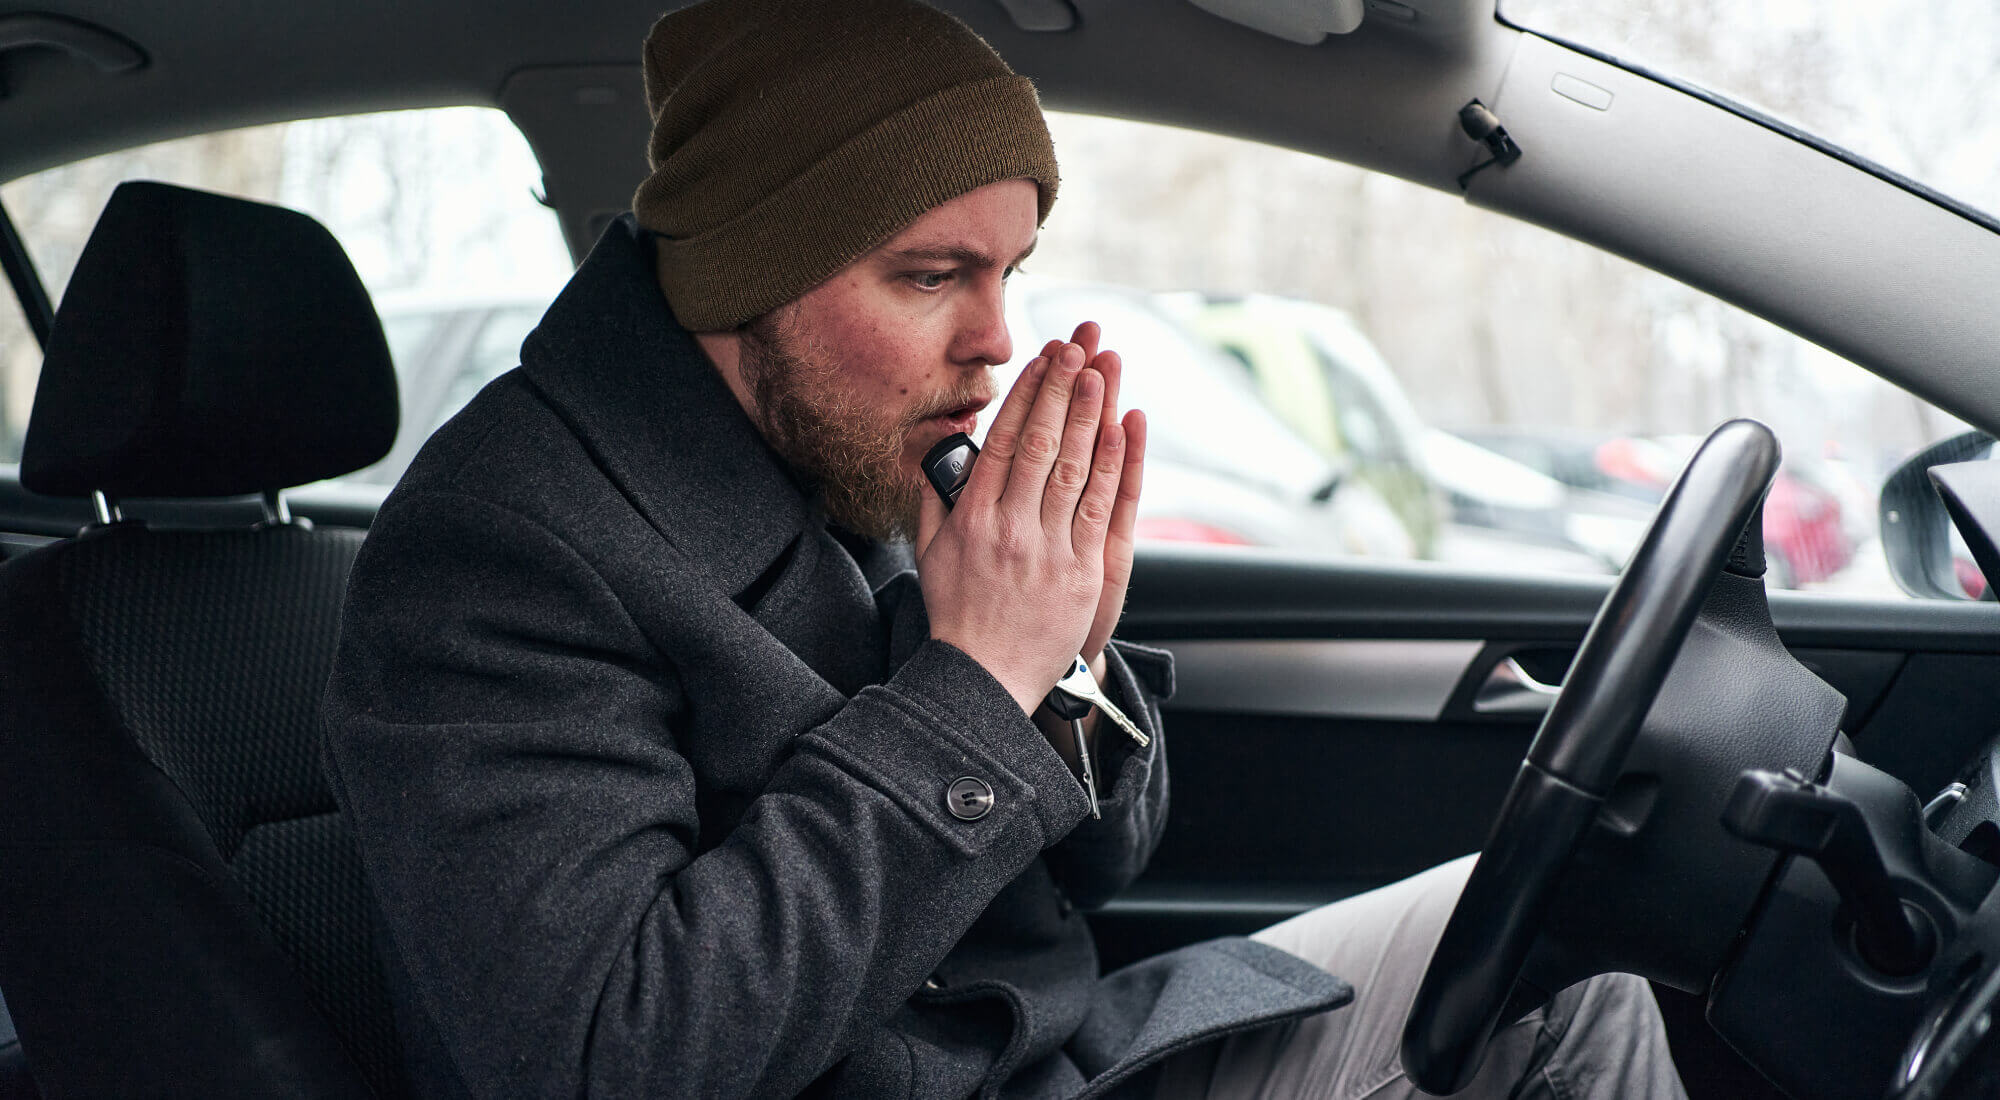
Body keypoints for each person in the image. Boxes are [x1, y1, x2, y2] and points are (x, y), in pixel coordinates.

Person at [320, 0, 1685, 1096]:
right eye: (931, 275)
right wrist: (976, 682)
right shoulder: (505, 548)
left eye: (1008, 270)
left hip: (1054, 1052)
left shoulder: (858, 446)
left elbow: (1107, 863)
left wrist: (1069, 658)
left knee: (1566, 949)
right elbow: (610, 1054)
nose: (994, 340)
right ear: (748, 277)